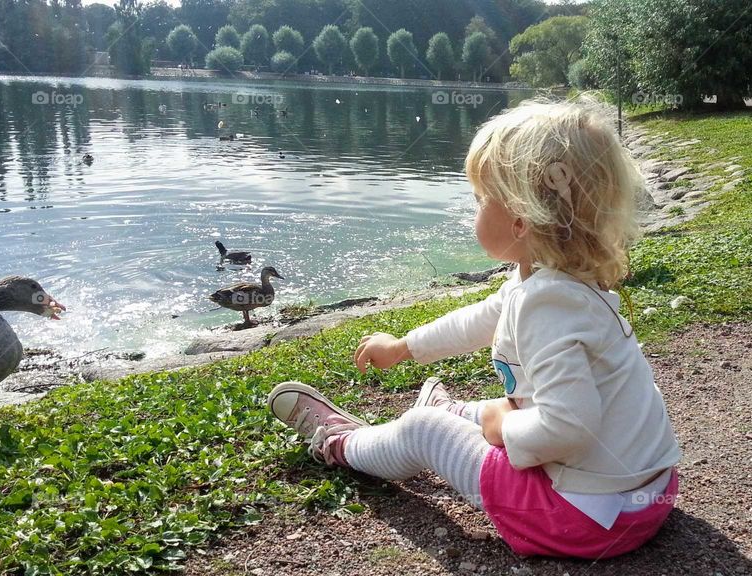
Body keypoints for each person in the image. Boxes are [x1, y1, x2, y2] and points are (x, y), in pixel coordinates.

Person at [267, 95, 682, 559]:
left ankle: (342, 443)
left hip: (584, 520)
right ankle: (456, 414)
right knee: (502, 404)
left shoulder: (548, 308)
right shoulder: (560, 282)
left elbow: (569, 428)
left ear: (522, 220)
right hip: (650, 494)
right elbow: (486, 316)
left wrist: (499, 427)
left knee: (424, 430)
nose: (474, 211)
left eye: (482, 200)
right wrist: (406, 346)